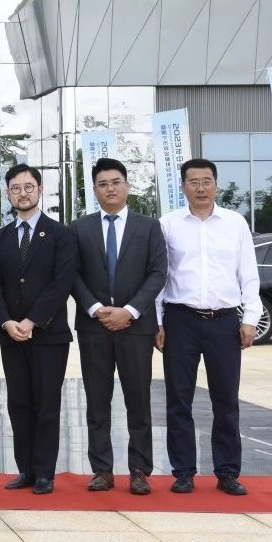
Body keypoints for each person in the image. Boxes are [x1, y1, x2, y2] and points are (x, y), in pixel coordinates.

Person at [157, 158, 262, 496]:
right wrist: (157, 321)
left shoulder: (235, 223)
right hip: (180, 320)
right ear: (183, 186)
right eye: (193, 182)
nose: (200, 188)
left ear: (216, 184)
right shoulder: (168, 224)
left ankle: (227, 472)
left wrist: (250, 319)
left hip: (224, 322)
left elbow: (248, 274)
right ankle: (183, 471)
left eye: (206, 181)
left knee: (226, 400)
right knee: (178, 400)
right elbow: (159, 277)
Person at [70, 158, 167, 495]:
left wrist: (130, 311)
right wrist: (96, 309)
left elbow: (158, 273)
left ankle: (139, 471)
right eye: (102, 184)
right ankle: (102, 470)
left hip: (135, 328)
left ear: (127, 186)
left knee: (138, 400)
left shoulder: (149, 227)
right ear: (94, 190)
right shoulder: (79, 228)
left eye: (115, 182)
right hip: (94, 327)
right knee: (97, 401)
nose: (109, 189)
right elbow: (72, 274)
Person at [0, 164, 76, 495]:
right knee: (19, 403)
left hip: (49, 336)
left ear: (40, 190)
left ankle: (44, 473)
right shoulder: (2, 237)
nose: (22, 193)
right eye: (15, 188)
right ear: (8, 194)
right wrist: (6, 321)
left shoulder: (60, 234)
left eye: (28, 187)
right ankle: (25, 469)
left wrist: (32, 320)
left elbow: (62, 282)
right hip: (12, 336)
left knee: (46, 404)